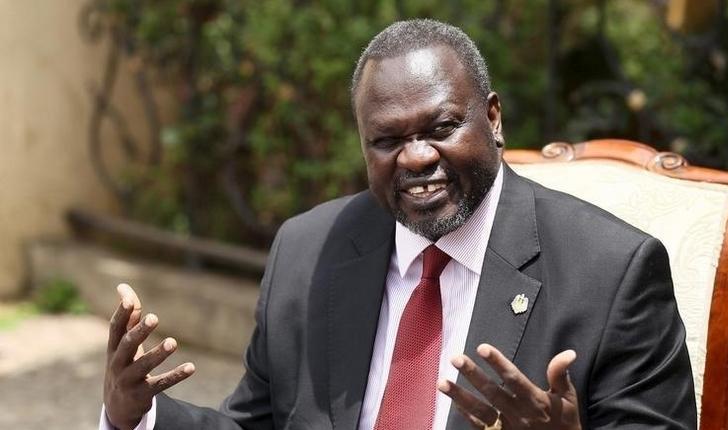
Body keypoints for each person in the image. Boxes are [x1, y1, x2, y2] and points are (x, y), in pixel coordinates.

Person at [100, 19, 696, 430]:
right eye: (387, 140)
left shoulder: (614, 273)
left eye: (440, 129)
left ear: (493, 118)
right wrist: (135, 415)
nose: (415, 158)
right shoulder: (307, 252)